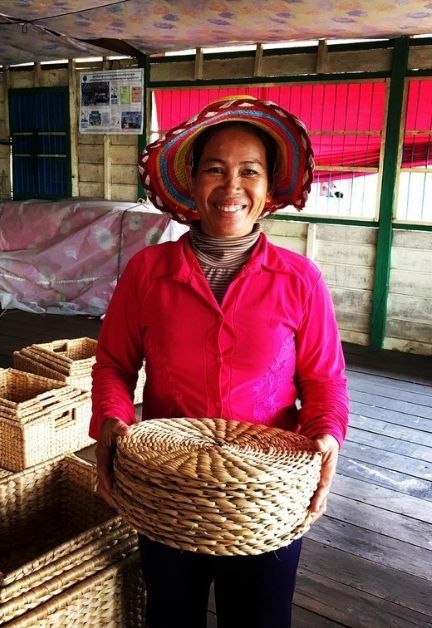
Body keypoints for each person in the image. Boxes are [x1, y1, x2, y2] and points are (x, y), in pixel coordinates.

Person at [90, 96, 349, 627]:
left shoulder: (300, 280)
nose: (231, 187)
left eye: (249, 171)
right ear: (191, 181)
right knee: (171, 616)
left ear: (269, 187)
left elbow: (325, 382)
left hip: (266, 495)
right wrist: (112, 423)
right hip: (170, 486)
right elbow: (114, 364)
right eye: (215, 169)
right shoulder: (148, 271)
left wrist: (325, 435)